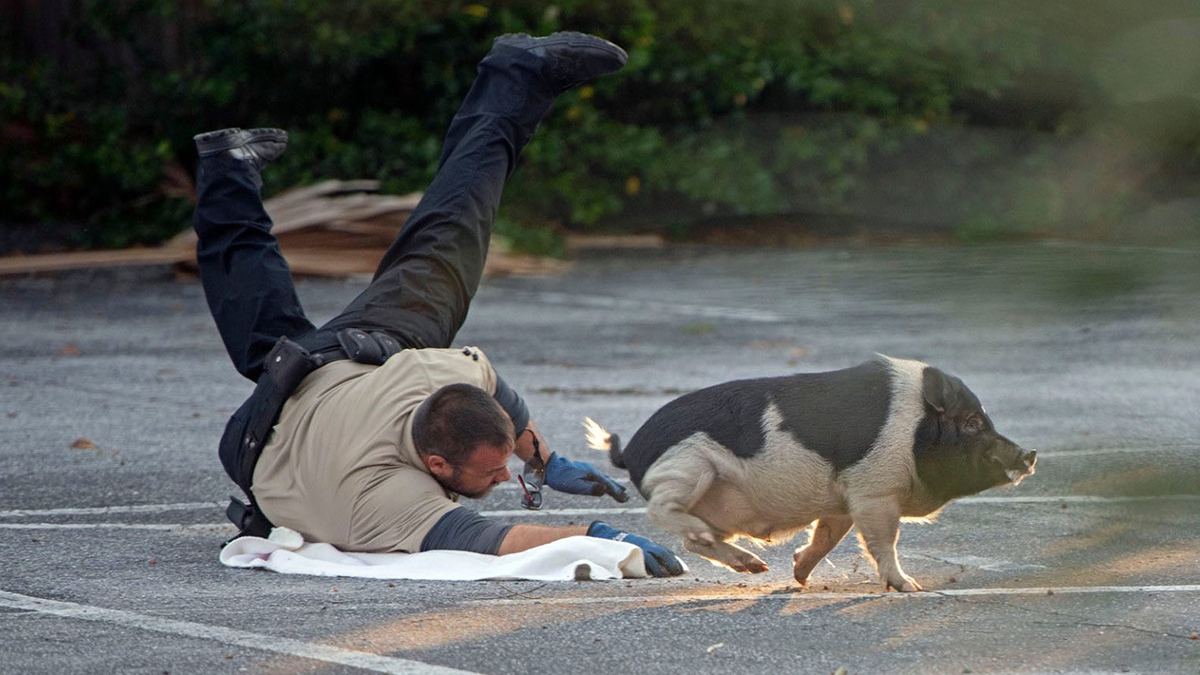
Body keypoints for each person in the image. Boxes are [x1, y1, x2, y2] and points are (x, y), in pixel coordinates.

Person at [191, 32, 684, 577]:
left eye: (502, 467)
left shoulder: (430, 378)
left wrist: (542, 460)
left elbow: (492, 392)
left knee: (442, 235)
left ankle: (228, 169)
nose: (505, 477)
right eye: (493, 472)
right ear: (437, 465)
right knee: (446, 232)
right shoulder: (385, 496)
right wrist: (599, 538)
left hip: (299, 406)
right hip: (278, 419)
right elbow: (482, 538)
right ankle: (518, 69)